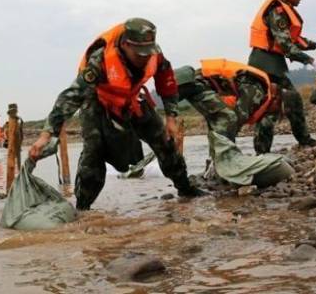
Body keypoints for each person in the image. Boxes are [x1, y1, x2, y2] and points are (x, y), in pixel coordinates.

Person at [28, 18, 202, 210]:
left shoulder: (154, 53)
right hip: (98, 102)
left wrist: (171, 117)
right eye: (139, 54)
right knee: (93, 153)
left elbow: (166, 81)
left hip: (131, 99)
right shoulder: (100, 60)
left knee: (164, 140)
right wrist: (46, 135)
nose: (144, 58)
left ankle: (185, 188)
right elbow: (70, 98)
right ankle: (83, 208)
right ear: (126, 45)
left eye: (147, 53)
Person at [173, 59, 294, 187]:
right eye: (278, 111)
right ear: (277, 100)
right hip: (194, 83)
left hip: (198, 84)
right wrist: (232, 156)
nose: (274, 114)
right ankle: (220, 167)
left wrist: (260, 153)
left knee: (220, 122)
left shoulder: (260, 91)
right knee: (228, 118)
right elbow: (237, 117)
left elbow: (251, 127)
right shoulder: (256, 90)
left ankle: (213, 167)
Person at [248, 0, 316, 150]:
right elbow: (286, 44)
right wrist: (312, 61)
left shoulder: (284, 10)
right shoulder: (276, 10)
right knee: (270, 105)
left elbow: (294, 39)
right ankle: (263, 152)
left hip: (273, 63)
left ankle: (303, 140)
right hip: (265, 64)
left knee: (291, 100)